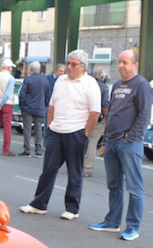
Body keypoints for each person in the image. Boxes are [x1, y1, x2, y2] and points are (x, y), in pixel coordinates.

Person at [20, 49, 101, 219]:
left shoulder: (90, 83)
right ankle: (39, 204)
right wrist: (50, 127)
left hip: (76, 132)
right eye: (68, 63)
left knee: (74, 172)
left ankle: (72, 208)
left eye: (73, 64)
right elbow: (52, 106)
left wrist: (85, 133)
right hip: (56, 132)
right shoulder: (60, 81)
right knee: (48, 170)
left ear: (83, 66)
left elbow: (95, 112)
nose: (69, 67)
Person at [88, 50, 152, 241]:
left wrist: (130, 137)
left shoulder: (141, 85)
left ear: (135, 64)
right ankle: (112, 222)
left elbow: (144, 115)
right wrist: (106, 140)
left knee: (134, 186)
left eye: (125, 62)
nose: (121, 66)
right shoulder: (116, 85)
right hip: (112, 142)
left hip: (128, 144)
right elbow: (112, 112)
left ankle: (132, 227)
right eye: (120, 62)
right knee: (114, 185)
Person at [17, 61, 50, 158]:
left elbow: (22, 94)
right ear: (39, 69)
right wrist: (44, 105)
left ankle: (27, 150)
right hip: (40, 108)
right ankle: (38, 151)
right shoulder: (45, 81)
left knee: (27, 129)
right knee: (38, 130)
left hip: (28, 108)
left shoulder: (28, 80)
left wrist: (22, 105)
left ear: (31, 69)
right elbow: (48, 96)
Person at [84, 67, 110, 177]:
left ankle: (73, 165)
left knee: (79, 141)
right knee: (92, 143)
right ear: (103, 77)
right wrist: (106, 117)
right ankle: (87, 169)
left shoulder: (86, 84)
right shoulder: (104, 88)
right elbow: (105, 105)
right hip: (96, 119)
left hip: (83, 117)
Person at [0, 59, 16, 156]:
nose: (12, 69)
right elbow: (8, 94)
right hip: (7, 104)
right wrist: (1, 105)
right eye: (11, 67)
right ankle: (6, 149)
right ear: (8, 67)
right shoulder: (11, 78)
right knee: (7, 127)